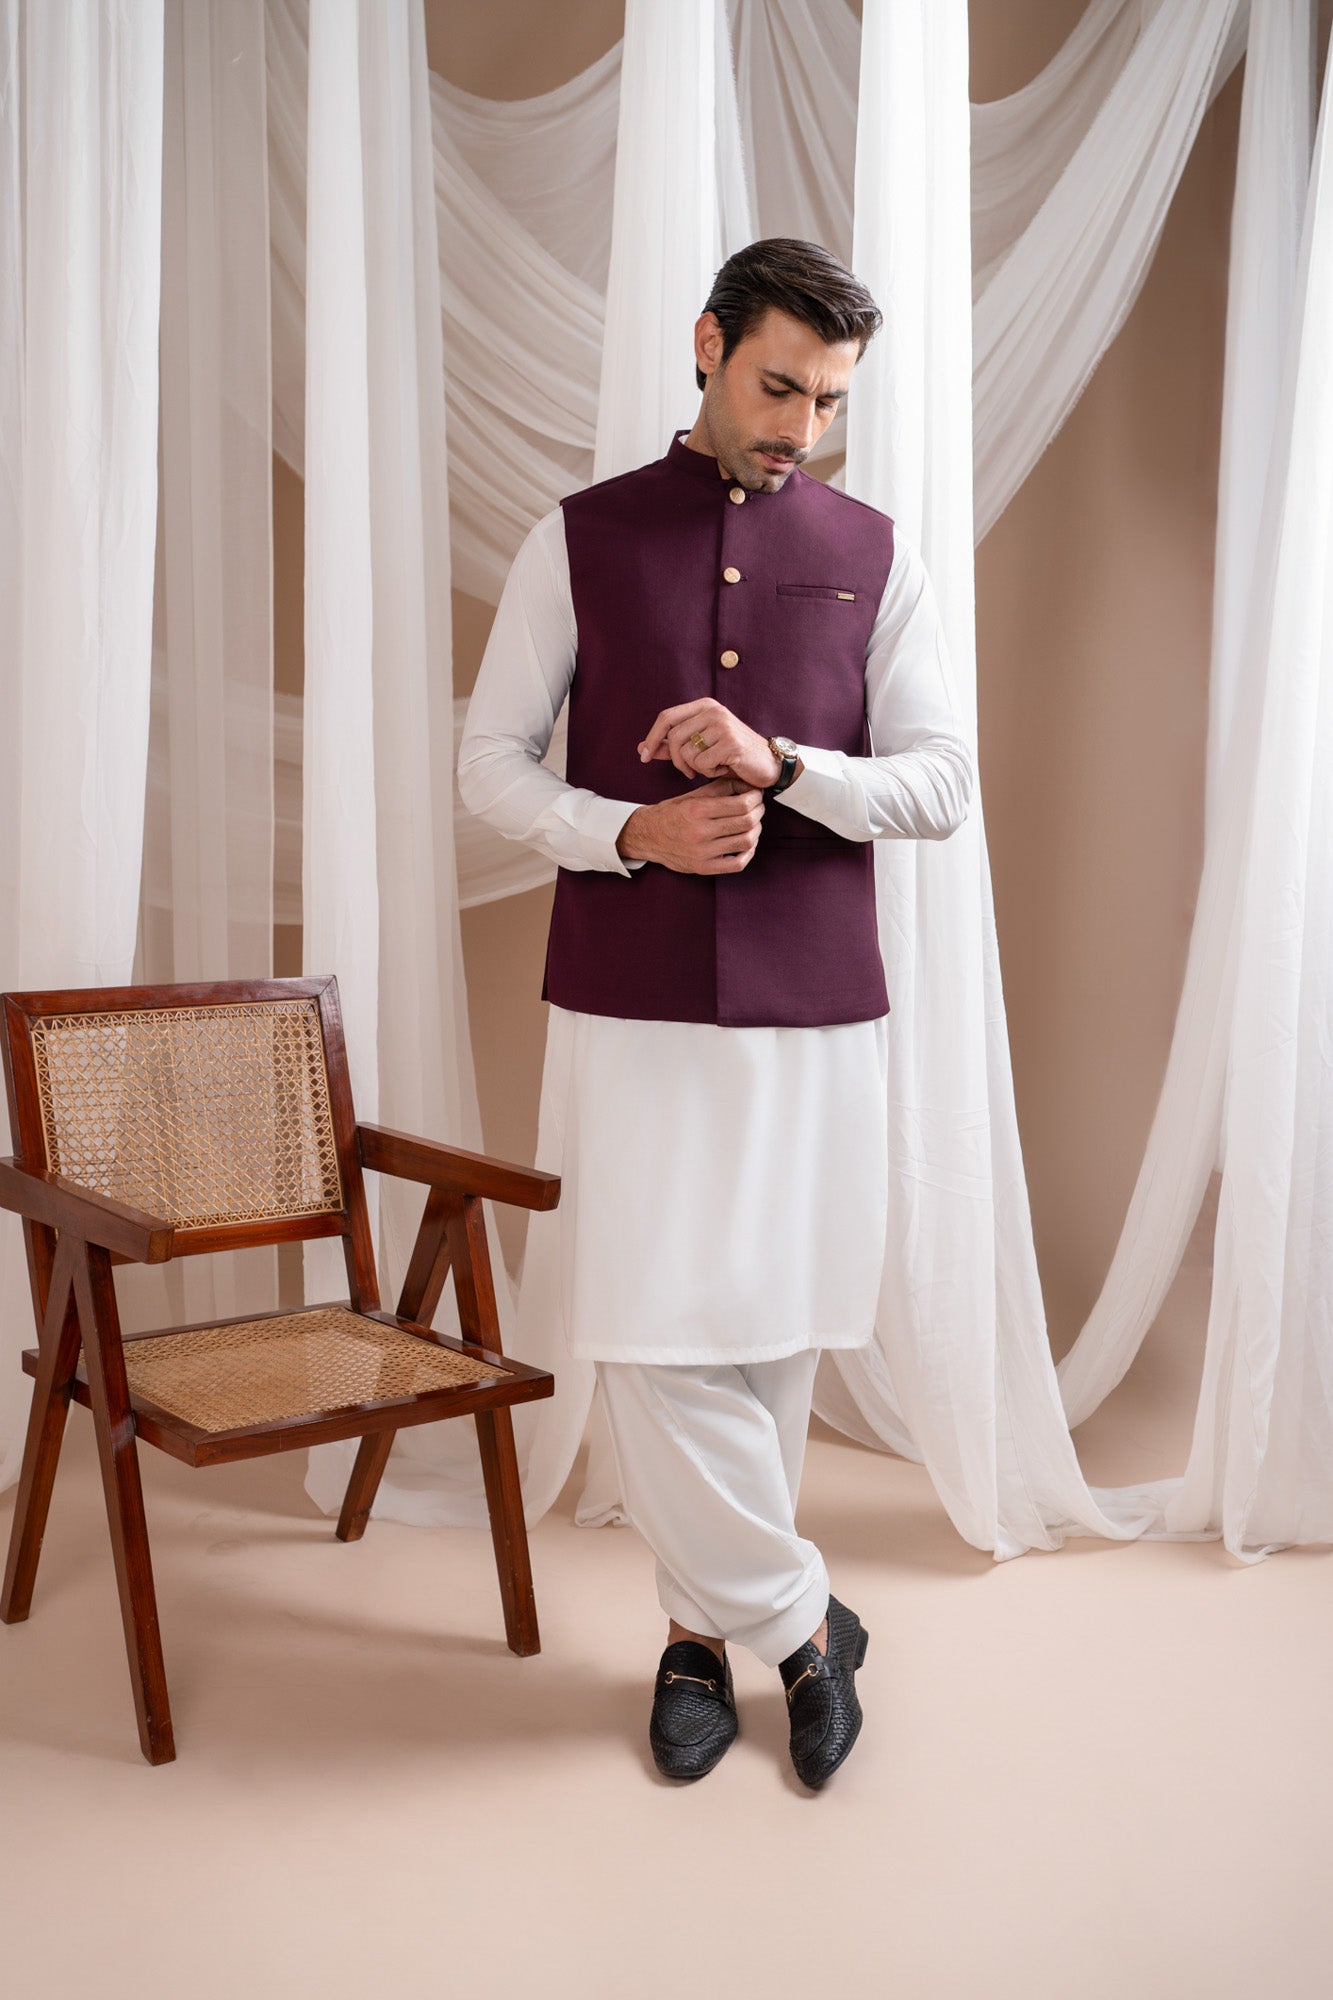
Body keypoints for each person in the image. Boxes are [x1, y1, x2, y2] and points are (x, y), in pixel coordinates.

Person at [458, 237, 972, 1789]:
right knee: (647, 1324)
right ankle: (807, 1628)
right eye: (774, 385)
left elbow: (940, 784)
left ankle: (698, 1637)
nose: (795, 424)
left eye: (824, 400)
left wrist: (783, 767)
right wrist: (626, 829)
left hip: (816, 1004)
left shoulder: (879, 552)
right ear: (705, 345)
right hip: (630, 1003)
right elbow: (488, 763)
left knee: (769, 1334)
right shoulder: (578, 539)